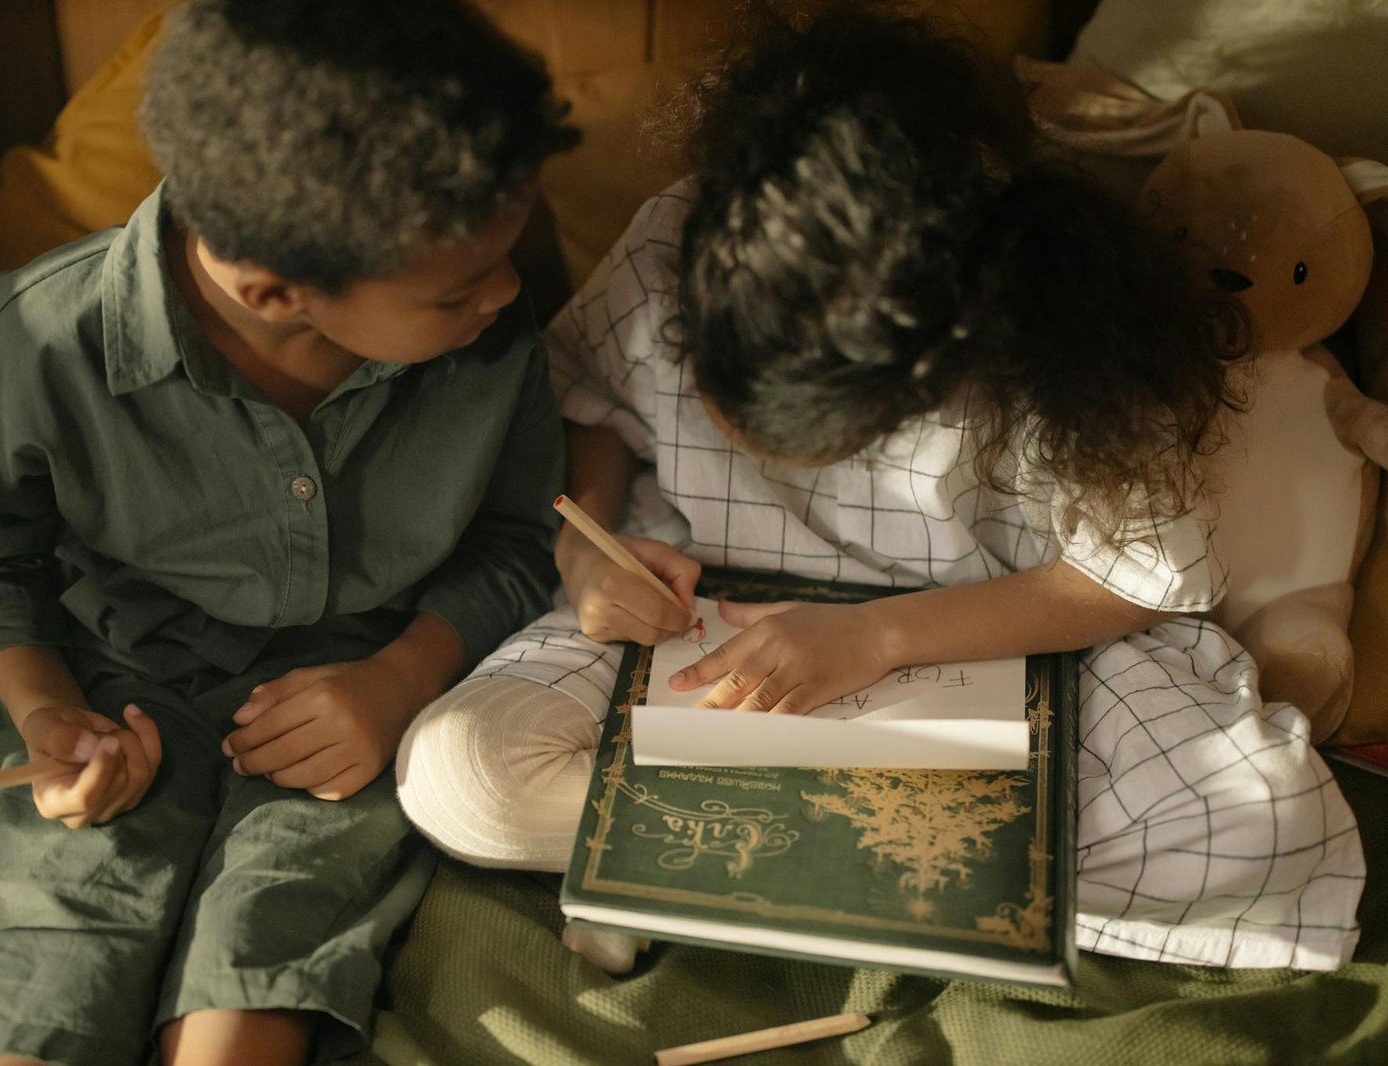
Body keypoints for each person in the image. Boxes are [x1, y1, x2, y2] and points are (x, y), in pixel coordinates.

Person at [396, 7, 1364, 974]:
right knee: (454, 768)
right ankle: (865, 872)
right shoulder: (680, 236)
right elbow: (593, 404)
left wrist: (874, 638)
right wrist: (583, 550)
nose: (725, 424)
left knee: (1259, 818)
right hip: (703, 616)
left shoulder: (1047, 325)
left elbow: (1135, 575)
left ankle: (684, 858)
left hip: (978, 635)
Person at [0, 2, 576, 1063]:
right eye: (458, 291)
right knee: (53, 958)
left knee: (264, 959)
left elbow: (525, 538)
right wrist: (45, 715)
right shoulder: (49, 340)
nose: (507, 293)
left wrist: (404, 677)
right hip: (108, 678)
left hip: (355, 689)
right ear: (273, 292)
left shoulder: (486, 333)